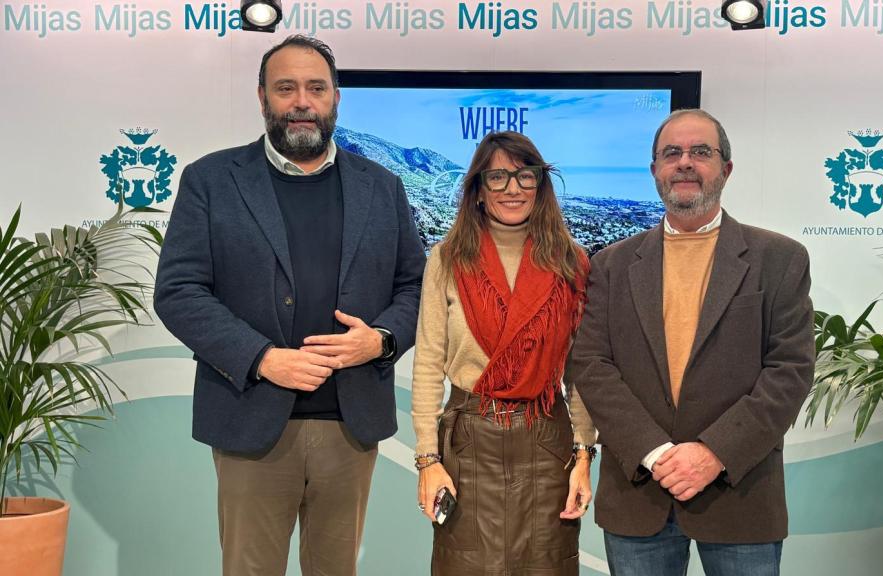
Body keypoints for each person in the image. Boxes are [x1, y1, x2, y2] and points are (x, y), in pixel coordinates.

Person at [153, 35, 424, 576]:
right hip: (251, 420)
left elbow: (416, 286)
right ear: (262, 98)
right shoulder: (211, 181)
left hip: (351, 424)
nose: (302, 101)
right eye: (286, 88)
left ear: (336, 98)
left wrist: (382, 340)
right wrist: (261, 358)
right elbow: (178, 291)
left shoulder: (384, 186)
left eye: (316, 88)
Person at [567, 109, 814, 576]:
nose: (685, 162)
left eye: (701, 152)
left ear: (726, 168)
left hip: (739, 492)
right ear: (654, 169)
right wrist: (656, 453)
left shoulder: (779, 259)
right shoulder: (611, 265)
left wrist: (714, 452)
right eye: (671, 153)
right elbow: (592, 364)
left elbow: (790, 371)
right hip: (641, 490)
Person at [411, 131, 595, 575]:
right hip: (468, 443)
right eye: (497, 177)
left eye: (524, 175)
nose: (512, 188)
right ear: (478, 189)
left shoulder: (572, 263)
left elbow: (581, 371)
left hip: (547, 442)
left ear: (540, 185)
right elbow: (428, 364)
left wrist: (584, 455)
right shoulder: (447, 259)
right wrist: (428, 460)